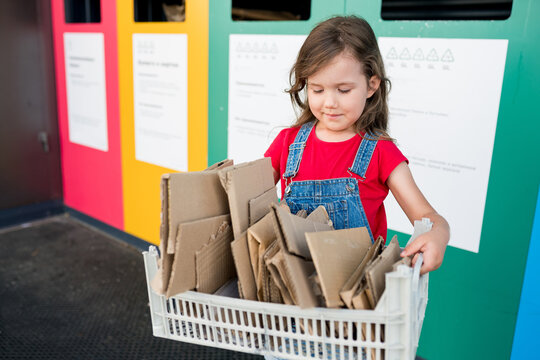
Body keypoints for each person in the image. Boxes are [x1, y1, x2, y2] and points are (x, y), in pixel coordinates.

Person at [264, 16, 449, 275]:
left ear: (371, 85)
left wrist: (438, 234)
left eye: (343, 90)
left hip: (353, 301)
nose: (330, 102)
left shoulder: (381, 153)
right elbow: (249, 198)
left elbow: (428, 217)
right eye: (317, 90)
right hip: (290, 289)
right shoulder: (287, 142)